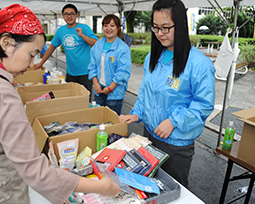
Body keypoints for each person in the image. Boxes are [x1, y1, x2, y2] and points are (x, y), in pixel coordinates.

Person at [0, 4, 120, 204]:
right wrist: (100, 187)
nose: (31, 64)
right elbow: (35, 171)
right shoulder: (1, 93)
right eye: (31, 54)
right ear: (7, 43)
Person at [119, 0, 215, 188]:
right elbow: (146, 93)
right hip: (149, 134)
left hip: (176, 143)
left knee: (172, 190)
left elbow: (202, 106)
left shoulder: (199, 64)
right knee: (149, 185)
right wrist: (137, 112)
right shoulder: (153, 57)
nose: (160, 34)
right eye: (155, 28)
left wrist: (173, 121)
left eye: (165, 28)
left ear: (180, 25)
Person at [34, 4, 98, 96]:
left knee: (85, 98)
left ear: (77, 15)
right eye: (66, 14)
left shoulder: (84, 28)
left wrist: (82, 36)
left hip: (86, 72)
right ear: (63, 16)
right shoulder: (61, 31)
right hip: (70, 72)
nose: (69, 16)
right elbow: (52, 47)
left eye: (72, 13)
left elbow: (96, 43)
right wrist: (41, 63)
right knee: (71, 98)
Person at [88, 14, 131, 115]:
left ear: (118, 28)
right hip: (99, 91)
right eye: (106, 25)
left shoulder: (123, 48)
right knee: (98, 121)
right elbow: (92, 66)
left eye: (112, 25)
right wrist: (96, 84)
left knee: (112, 124)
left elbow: (123, 72)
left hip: (114, 93)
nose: (108, 28)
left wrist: (110, 88)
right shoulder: (97, 45)